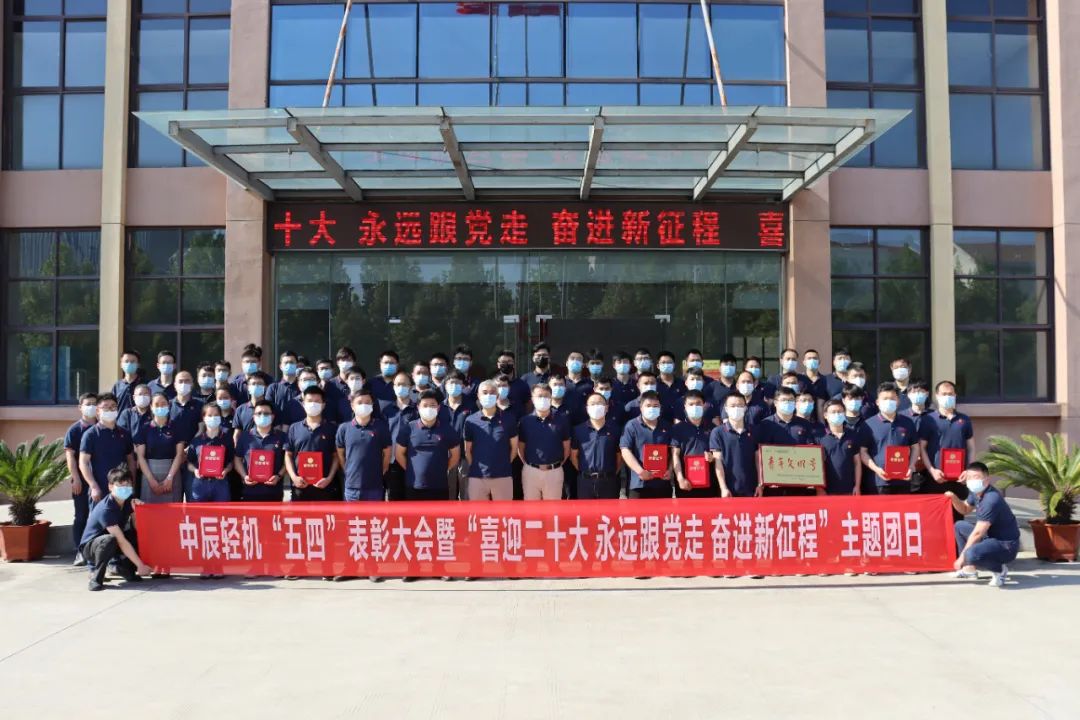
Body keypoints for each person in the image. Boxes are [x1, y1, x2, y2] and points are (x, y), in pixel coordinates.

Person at [947, 462, 1019, 588]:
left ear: (987, 480)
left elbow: (978, 533)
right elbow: (965, 509)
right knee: (960, 526)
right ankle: (969, 570)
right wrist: (953, 498)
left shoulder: (991, 499)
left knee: (971, 554)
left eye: (976, 477)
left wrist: (961, 558)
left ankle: (1000, 570)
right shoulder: (975, 492)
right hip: (990, 538)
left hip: (1006, 545)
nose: (971, 481)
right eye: (969, 477)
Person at [79, 466, 152, 591]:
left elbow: (137, 528)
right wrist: (140, 565)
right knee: (110, 540)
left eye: (128, 485)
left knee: (137, 536)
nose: (125, 488)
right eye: (121, 485)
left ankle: (123, 569)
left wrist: (136, 512)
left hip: (112, 541)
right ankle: (96, 578)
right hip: (91, 547)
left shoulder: (128, 501)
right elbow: (121, 540)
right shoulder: (106, 509)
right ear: (110, 486)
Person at [395, 389, 461, 502]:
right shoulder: (408, 428)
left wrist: (443, 468)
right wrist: (411, 469)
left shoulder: (447, 429)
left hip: (440, 486)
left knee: (439, 514)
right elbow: (399, 454)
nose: (429, 408)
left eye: (432, 405)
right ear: (418, 407)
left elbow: (455, 455)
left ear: (438, 408)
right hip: (414, 486)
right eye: (425, 405)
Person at [921, 381, 976, 515]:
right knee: (935, 517)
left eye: (950, 394)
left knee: (957, 517)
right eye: (944, 394)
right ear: (937, 396)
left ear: (955, 395)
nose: (947, 397)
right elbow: (922, 448)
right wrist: (932, 470)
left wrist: (968, 471)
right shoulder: (928, 420)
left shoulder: (964, 420)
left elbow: (971, 448)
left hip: (959, 479)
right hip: (936, 479)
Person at [463, 380, 518, 502]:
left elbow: (514, 448)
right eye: (485, 392)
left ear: (497, 396)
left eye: (492, 392)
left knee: (504, 512)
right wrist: (477, 467)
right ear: (478, 396)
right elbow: (468, 451)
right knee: (478, 513)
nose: (488, 395)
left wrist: (503, 464)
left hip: (503, 476)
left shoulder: (509, 418)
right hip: (477, 477)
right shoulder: (470, 421)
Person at [859, 382, 919, 495]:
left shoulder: (908, 422)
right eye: (885, 399)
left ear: (898, 401)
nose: (889, 401)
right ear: (877, 402)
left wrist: (911, 466)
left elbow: (915, 447)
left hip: (903, 481)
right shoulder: (868, 424)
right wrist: (876, 469)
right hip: (878, 482)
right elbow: (863, 452)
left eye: (892, 399)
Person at [78, 393, 136, 506]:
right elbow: (83, 463)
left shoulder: (125, 433)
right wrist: (93, 486)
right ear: (97, 411)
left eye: (113, 406)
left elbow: (131, 461)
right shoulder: (90, 435)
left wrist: (132, 484)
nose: (110, 410)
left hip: (122, 490)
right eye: (105, 407)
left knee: (123, 517)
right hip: (100, 490)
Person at [284, 385, 340, 502]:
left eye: (317, 401)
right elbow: (288, 455)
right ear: (303, 404)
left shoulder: (332, 429)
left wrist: (329, 479)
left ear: (323, 405)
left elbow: (336, 456)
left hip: (325, 487)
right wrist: (294, 477)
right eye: (309, 401)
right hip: (300, 487)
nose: (313, 404)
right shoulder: (294, 428)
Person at [335, 389, 392, 502]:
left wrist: (382, 470)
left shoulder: (381, 427)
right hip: (351, 487)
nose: (364, 405)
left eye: (367, 402)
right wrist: (347, 470)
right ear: (352, 406)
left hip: (374, 486)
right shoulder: (344, 428)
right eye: (360, 402)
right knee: (352, 514)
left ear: (372, 405)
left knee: (374, 514)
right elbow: (340, 453)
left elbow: (387, 453)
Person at [518, 384, 570, 500]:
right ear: (532, 399)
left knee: (553, 509)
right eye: (539, 396)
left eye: (546, 396)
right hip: (531, 471)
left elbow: (566, 447)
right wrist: (529, 466)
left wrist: (556, 466)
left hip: (554, 472)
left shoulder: (562, 420)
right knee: (531, 509)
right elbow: (520, 447)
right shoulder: (525, 421)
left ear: (551, 398)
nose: (543, 399)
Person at [619, 390, 673, 499]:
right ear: (641, 407)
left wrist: (670, 469)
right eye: (648, 405)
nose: (652, 408)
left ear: (660, 408)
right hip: (639, 484)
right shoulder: (631, 425)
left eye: (655, 406)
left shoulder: (667, 426)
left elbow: (673, 451)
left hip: (662, 483)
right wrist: (640, 471)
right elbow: (625, 450)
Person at [64, 393, 98, 566]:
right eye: (88, 404)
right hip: (81, 481)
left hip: (99, 479)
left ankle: (97, 551)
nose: (91, 407)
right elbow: (70, 456)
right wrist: (76, 478)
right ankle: (80, 551)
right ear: (80, 407)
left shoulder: (102, 426)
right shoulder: (74, 430)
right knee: (81, 515)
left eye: (94, 403)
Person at [133, 392, 185, 503]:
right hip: (149, 474)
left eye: (163, 404)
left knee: (172, 511)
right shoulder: (144, 428)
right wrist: (151, 481)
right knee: (150, 510)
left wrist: (169, 478)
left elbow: (179, 454)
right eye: (156, 404)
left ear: (168, 405)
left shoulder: (176, 426)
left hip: (172, 473)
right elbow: (141, 457)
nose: (160, 407)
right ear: (151, 407)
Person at [233, 400, 287, 502]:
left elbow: (287, 460)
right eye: (259, 413)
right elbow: (237, 459)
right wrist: (244, 476)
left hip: (274, 492)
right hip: (250, 491)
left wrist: (279, 476)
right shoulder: (245, 436)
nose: (262, 416)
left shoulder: (282, 436)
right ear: (254, 417)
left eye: (266, 413)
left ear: (272, 416)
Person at [571, 392, 622, 499]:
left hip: (609, 482)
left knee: (609, 509)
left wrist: (610, 474)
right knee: (585, 510)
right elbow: (574, 456)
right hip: (585, 481)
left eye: (599, 403)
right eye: (593, 404)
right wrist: (585, 472)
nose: (596, 407)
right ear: (587, 409)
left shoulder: (616, 430)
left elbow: (619, 456)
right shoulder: (578, 430)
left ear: (606, 408)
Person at [709, 393, 760, 498]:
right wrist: (723, 488)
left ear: (745, 408)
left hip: (752, 489)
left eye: (740, 406)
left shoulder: (754, 430)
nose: (736, 409)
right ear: (726, 409)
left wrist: (760, 484)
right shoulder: (717, 432)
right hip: (728, 490)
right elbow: (718, 461)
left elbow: (758, 459)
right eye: (732, 406)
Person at [185, 403, 235, 503]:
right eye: (210, 415)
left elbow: (231, 462)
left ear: (220, 417)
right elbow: (189, 463)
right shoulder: (197, 440)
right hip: (200, 483)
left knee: (222, 511)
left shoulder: (227, 439)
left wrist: (226, 470)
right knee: (198, 512)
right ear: (204, 418)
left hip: (220, 483)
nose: (213, 418)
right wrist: (195, 471)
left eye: (216, 415)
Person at [671, 390, 717, 498]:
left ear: (704, 405)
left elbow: (718, 454)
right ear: (685, 407)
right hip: (686, 483)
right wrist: (680, 478)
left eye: (698, 403)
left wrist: (712, 457)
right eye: (691, 404)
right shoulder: (677, 429)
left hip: (709, 483)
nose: (695, 407)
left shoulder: (713, 428)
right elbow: (675, 455)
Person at [383, 371, 417, 501]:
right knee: (394, 500)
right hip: (391, 463)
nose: (401, 387)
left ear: (411, 387)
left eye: (404, 384)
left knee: (412, 499)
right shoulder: (387, 410)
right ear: (393, 387)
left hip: (412, 462)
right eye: (398, 384)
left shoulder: (417, 410)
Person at [817, 400, 862, 496]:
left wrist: (857, 486)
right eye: (833, 412)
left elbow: (857, 463)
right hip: (828, 491)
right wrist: (819, 488)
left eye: (840, 412)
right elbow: (816, 465)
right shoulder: (820, 437)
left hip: (849, 490)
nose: (837, 414)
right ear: (825, 415)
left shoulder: (852, 435)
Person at [443, 370, 473, 500]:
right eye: (451, 383)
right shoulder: (439, 407)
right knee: (448, 493)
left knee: (466, 494)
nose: (454, 386)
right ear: (445, 385)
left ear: (463, 385)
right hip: (446, 456)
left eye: (457, 383)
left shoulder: (472, 406)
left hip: (466, 456)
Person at [168, 370, 203, 444]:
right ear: (175, 385)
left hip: (193, 447)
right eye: (180, 381)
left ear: (192, 384)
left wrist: (191, 446)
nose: (183, 384)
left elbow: (201, 429)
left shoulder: (200, 405)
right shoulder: (168, 405)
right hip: (172, 448)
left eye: (187, 381)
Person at [495, 349, 531, 416]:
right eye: (503, 362)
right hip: (497, 421)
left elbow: (528, 406)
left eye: (509, 361)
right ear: (498, 365)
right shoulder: (492, 385)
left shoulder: (522, 385)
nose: (506, 364)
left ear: (514, 364)